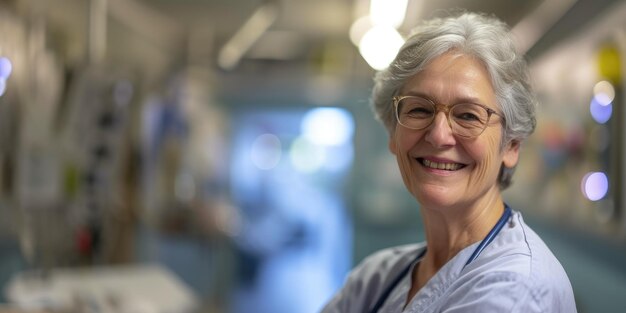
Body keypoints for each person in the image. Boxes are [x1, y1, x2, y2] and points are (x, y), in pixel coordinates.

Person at [321, 12, 577, 313]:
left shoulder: (515, 290)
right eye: (418, 110)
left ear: (511, 145)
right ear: (393, 133)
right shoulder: (376, 279)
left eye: (468, 115)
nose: (439, 135)